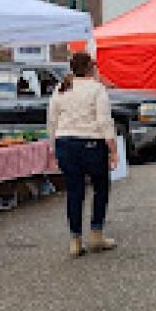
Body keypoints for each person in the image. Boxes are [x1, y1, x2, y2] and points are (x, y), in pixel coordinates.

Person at [47, 52, 118, 257]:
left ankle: (75, 240)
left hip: (65, 142)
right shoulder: (97, 89)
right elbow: (104, 121)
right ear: (90, 68)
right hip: (91, 142)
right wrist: (113, 149)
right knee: (100, 187)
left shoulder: (61, 88)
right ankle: (96, 234)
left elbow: (52, 120)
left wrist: (53, 146)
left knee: (74, 191)